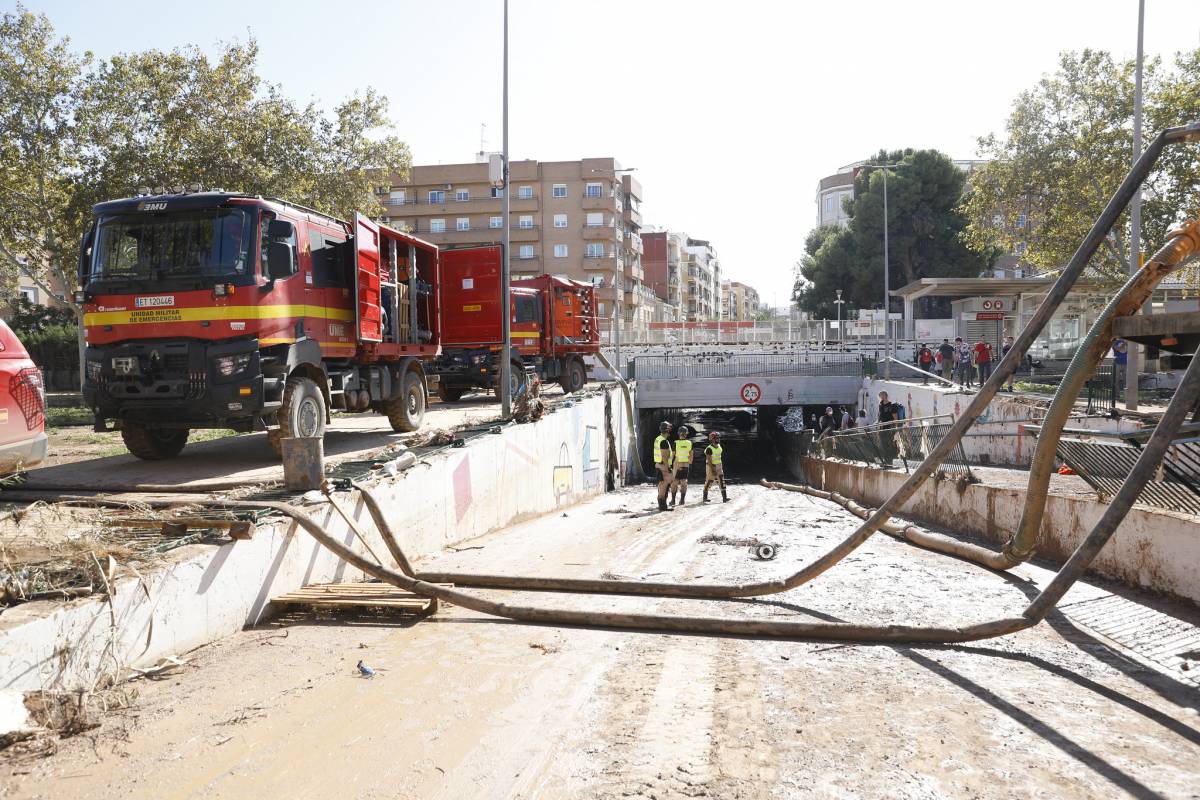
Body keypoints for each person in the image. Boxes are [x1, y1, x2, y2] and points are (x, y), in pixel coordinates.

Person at [653, 420, 675, 512]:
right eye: (669, 429)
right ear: (667, 430)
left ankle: (662, 504)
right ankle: (662, 505)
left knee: (661, 484)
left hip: (659, 465)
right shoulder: (664, 442)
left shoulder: (658, 439)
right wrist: (668, 468)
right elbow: (665, 456)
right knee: (665, 484)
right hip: (663, 466)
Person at [670, 425, 694, 507]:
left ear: (678, 433)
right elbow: (691, 455)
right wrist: (689, 462)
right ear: (686, 434)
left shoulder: (675, 443)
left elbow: (672, 455)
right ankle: (682, 500)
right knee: (684, 481)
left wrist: (669, 465)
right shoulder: (689, 443)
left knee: (675, 482)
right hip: (686, 464)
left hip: (677, 464)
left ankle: (673, 501)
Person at [876, 391, 901, 467]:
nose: (880, 397)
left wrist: (896, 428)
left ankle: (889, 462)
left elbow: (895, 417)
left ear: (885, 396)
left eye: (881, 395)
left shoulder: (892, 405)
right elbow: (879, 416)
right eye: (880, 396)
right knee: (883, 444)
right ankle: (885, 461)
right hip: (882, 427)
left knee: (889, 444)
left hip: (889, 427)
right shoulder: (880, 405)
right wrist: (878, 425)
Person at [703, 431, 728, 503]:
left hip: (719, 465)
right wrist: (712, 469)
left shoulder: (719, 446)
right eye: (717, 438)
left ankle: (724, 498)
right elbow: (709, 461)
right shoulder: (709, 449)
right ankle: (705, 497)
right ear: (712, 439)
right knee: (709, 481)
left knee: (722, 480)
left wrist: (719, 466)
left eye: (718, 438)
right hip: (711, 466)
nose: (718, 439)